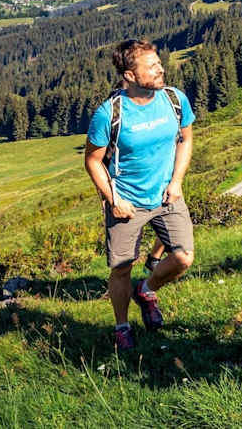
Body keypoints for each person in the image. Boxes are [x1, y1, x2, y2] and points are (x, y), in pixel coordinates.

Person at [84, 39, 196, 351]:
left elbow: (185, 139)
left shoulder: (174, 99)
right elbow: (92, 161)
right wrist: (113, 199)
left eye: (159, 63)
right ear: (130, 76)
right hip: (127, 202)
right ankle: (122, 327)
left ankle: (146, 290)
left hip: (167, 197)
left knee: (183, 258)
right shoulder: (109, 114)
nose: (161, 69)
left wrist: (177, 181)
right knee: (121, 268)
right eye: (151, 67)